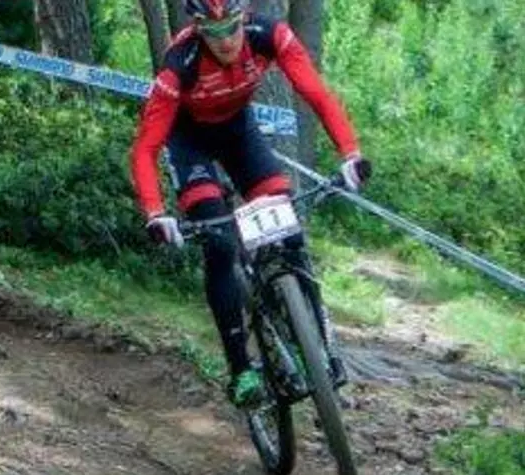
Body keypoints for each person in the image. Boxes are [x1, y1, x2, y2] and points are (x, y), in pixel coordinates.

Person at [129, 0, 371, 407]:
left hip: (240, 133)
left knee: (289, 231)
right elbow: (145, 148)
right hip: (190, 145)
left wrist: (350, 153)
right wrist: (156, 212)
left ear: (245, 18)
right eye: (214, 32)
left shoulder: (269, 35)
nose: (226, 40)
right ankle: (241, 370)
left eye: (232, 27)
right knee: (220, 244)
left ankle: (316, 344)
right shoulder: (179, 63)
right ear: (199, 28)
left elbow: (316, 93)